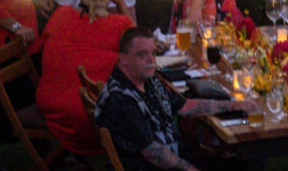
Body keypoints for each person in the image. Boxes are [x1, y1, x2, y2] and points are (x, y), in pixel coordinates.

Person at [97, 26, 247, 171]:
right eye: (142, 54)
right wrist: (190, 168)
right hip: (155, 166)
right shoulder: (120, 100)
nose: (151, 60)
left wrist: (232, 106)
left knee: (239, 163)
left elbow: (183, 105)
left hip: (176, 158)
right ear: (123, 59)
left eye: (153, 53)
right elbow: (152, 152)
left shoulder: (146, 80)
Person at [35, 0, 133, 157]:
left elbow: (43, 47)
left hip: (50, 106)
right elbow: (142, 49)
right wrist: (121, 3)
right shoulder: (119, 24)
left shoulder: (61, 15)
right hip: (89, 117)